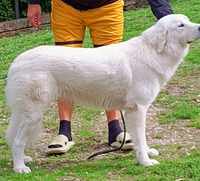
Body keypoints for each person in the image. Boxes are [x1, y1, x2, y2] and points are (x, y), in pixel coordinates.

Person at [27, 0, 173, 154]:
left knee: (110, 67)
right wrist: (33, 2)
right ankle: (64, 131)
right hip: (66, 5)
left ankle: (115, 129)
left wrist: (168, 17)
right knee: (65, 67)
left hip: (108, 6)